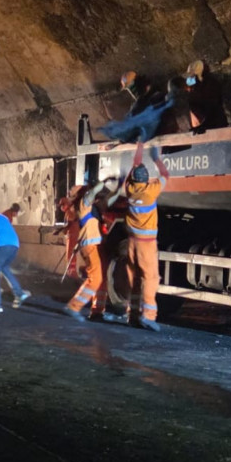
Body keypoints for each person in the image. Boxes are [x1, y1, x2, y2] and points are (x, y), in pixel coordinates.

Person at [108, 142, 169, 332]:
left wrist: (139, 150)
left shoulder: (130, 190)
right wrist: (157, 158)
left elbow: (132, 173)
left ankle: (132, 315)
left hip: (132, 242)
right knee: (150, 278)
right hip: (147, 244)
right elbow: (166, 175)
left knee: (134, 278)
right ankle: (149, 316)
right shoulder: (151, 192)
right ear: (147, 180)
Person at [61, 180, 116, 322]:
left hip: (98, 246)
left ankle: (97, 311)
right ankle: (73, 306)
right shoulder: (82, 205)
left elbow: (109, 200)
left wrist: (120, 188)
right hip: (90, 247)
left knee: (102, 279)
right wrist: (101, 183)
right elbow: (91, 194)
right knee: (95, 278)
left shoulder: (93, 207)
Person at [0, 201, 31, 313]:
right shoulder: (1, 216)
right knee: (3, 267)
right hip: (14, 245)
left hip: (3, 244)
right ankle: (19, 293)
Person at [185, 60, 227, 130]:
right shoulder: (194, 82)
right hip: (203, 119)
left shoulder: (210, 84)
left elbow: (213, 106)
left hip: (214, 122)